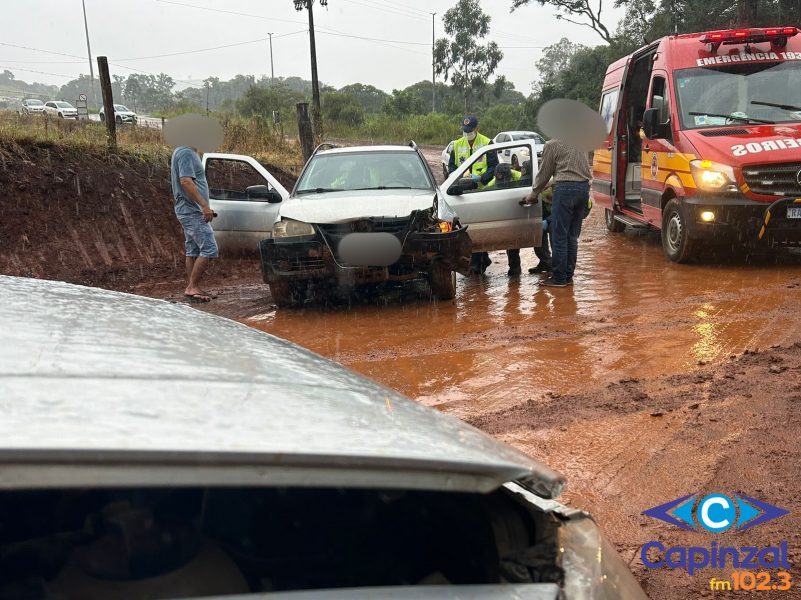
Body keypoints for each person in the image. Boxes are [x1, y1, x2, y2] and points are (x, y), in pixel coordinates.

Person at [522, 139, 592, 287]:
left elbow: (544, 173)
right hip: (583, 189)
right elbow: (577, 170)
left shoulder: (552, 145)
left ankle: (559, 278)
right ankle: (567, 276)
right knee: (572, 237)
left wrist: (533, 193)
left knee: (559, 236)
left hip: (564, 191)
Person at [448, 115, 497, 275]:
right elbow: (451, 168)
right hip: (463, 191)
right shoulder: (456, 144)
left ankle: (480, 260)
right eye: (465, 130)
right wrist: (458, 178)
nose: (467, 133)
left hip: (481, 190)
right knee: (467, 227)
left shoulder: (487, 143)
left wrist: (481, 178)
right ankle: (478, 259)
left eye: (470, 130)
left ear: (477, 128)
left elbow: (493, 167)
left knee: (481, 226)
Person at [171, 145, 218, 302]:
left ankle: (192, 287)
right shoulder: (186, 153)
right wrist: (204, 205)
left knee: (192, 249)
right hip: (192, 210)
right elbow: (185, 181)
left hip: (186, 209)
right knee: (209, 247)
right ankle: (192, 286)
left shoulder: (180, 150)